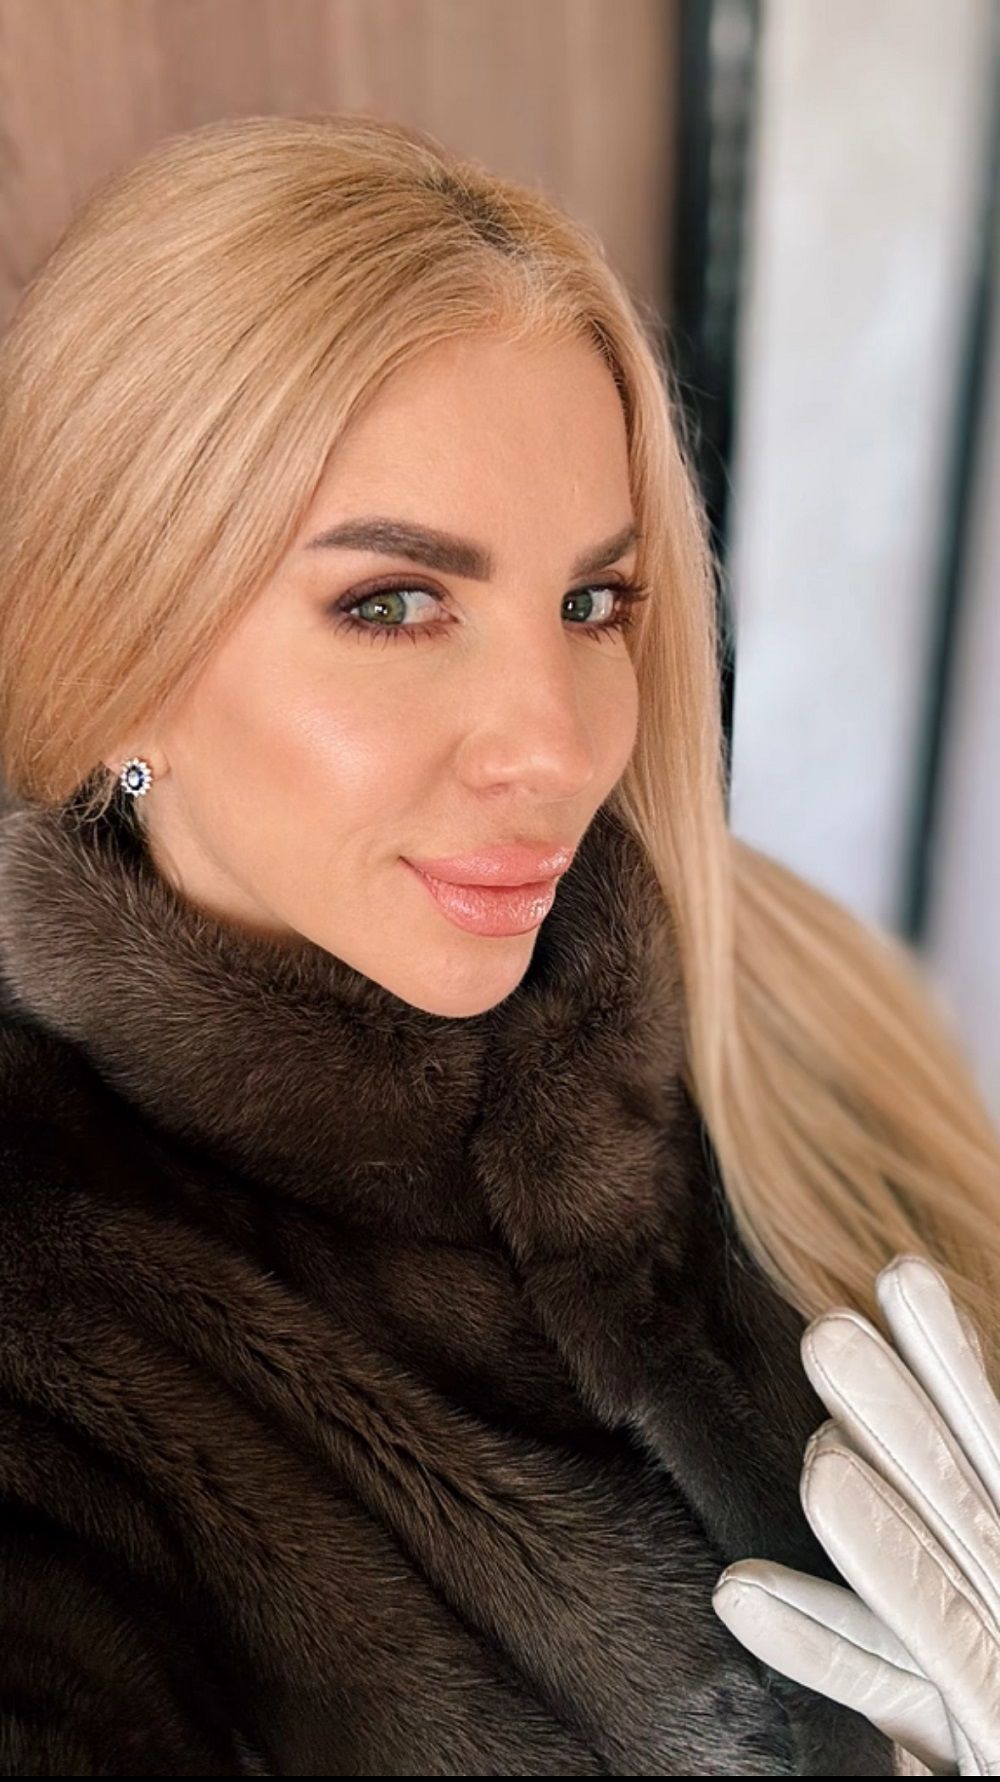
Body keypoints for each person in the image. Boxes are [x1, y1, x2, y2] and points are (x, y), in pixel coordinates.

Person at [0, 111, 994, 1776]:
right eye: (394, 604)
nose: (557, 746)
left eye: (594, 603)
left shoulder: (793, 985)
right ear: (111, 663)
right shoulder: (43, 1334)